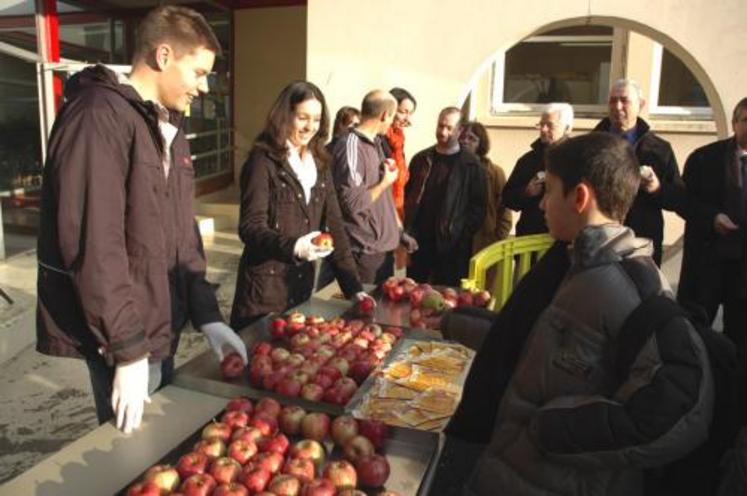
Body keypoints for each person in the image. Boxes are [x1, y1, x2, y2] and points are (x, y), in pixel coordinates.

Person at [35, 6, 247, 434]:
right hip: (124, 337)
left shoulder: (168, 125)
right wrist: (127, 350)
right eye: (199, 72)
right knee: (136, 463)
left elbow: (182, 233)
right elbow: (95, 245)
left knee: (163, 457)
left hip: (158, 324)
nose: (204, 88)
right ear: (164, 56)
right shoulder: (98, 116)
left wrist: (208, 314)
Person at [465, 133, 713, 495]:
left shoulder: (632, 284)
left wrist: (548, 430)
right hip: (516, 474)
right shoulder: (573, 262)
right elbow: (530, 339)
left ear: (579, 197)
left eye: (549, 190)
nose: (542, 205)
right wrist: (449, 324)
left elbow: (678, 405)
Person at [230, 81, 372, 329]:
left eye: (316, 120)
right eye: (302, 118)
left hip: (299, 290)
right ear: (285, 116)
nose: (310, 127)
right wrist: (293, 247)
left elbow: (336, 227)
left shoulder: (320, 163)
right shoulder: (262, 162)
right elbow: (250, 227)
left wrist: (354, 289)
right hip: (263, 294)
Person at [679, 97, 747, 359]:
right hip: (707, 263)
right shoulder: (705, 158)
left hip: (742, 270)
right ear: (734, 123)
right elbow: (684, 201)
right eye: (746, 121)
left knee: (739, 339)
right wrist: (712, 217)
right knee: (695, 333)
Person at [594, 79, 684, 265]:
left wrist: (656, 187)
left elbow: (679, 198)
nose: (617, 106)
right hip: (598, 239)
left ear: (640, 105)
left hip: (641, 242)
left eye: (624, 100)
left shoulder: (659, 149)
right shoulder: (591, 144)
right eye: (612, 100)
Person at [330, 90, 417, 284]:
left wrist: (399, 233)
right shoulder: (350, 146)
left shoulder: (376, 143)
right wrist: (385, 182)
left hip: (382, 250)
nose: (395, 122)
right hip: (363, 252)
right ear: (385, 115)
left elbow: (382, 198)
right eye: (394, 116)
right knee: (364, 313)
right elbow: (352, 203)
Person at [405, 107, 486, 286]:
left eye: (449, 128)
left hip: (452, 251)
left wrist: (459, 234)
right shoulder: (421, 159)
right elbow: (408, 196)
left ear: (460, 130)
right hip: (419, 245)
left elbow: (478, 209)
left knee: (447, 302)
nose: (443, 132)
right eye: (440, 126)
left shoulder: (472, 166)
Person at [503, 102, 573, 236]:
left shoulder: (578, 158)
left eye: (550, 125)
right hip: (529, 240)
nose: (544, 129)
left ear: (567, 128)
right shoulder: (528, 160)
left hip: (564, 239)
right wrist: (526, 192)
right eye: (541, 124)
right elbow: (507, 198)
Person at [459, 121, 512, 252]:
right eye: (462, 137)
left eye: (472, 138)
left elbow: (505, 210)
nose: (465, 142)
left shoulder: (495, 173)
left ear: (480, 144)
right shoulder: (451, 170)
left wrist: (497, 240)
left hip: (484, 244)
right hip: (456, 244)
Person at [383, 87, 417, 221]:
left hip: (396, 207)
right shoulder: (380, 137)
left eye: (410, 113)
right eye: (403, 112)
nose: (407, 119)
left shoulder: (398, 139)